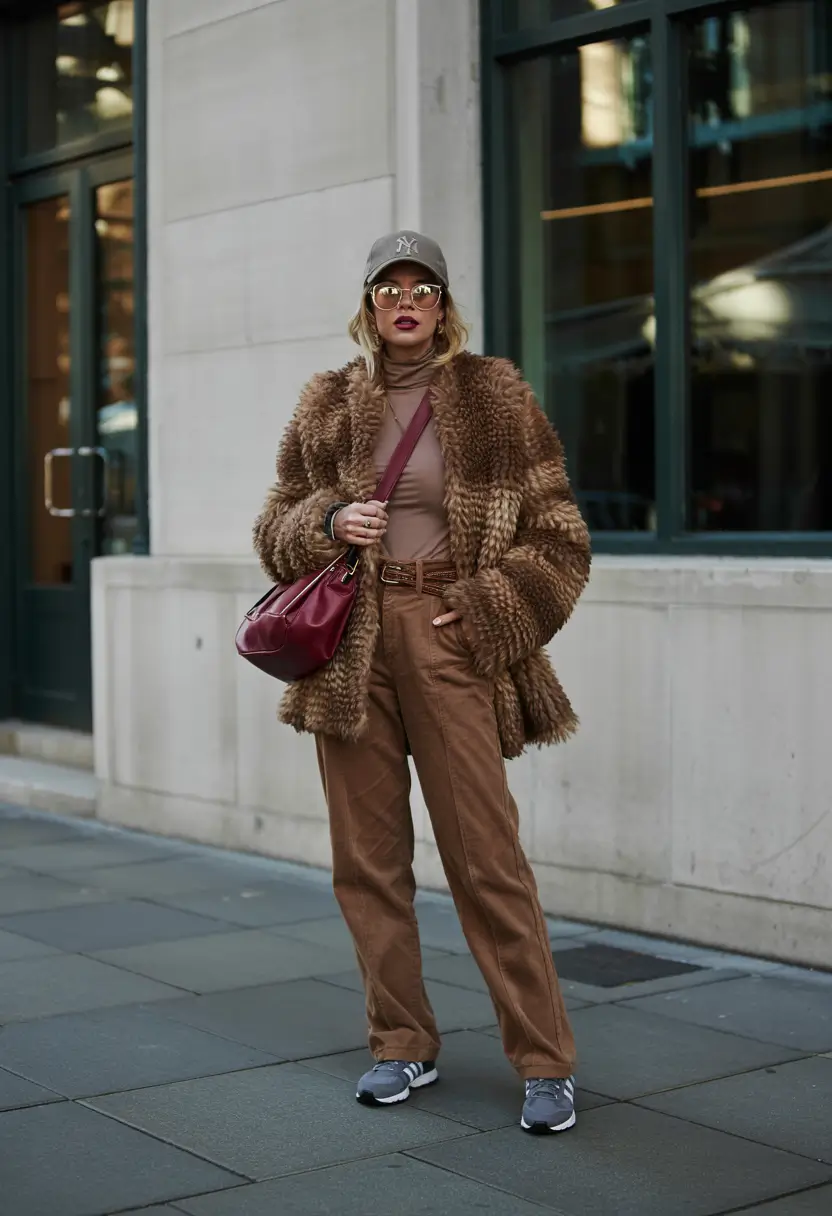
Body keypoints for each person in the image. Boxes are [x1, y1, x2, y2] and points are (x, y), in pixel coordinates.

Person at [253, 231, 591, 1134]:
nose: (405, 303)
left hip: (450, 634)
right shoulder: (327, 403)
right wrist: (328, 518)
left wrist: (488, 609)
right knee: (367, 864)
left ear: (444, 307)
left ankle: (544, 1061)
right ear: (368, 305)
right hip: (351, 644)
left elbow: (560, 537)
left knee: (486, 857)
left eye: (423, 289)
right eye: (388, 289)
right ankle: (401, 1044)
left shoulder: (495, 398)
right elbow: (274, 526)